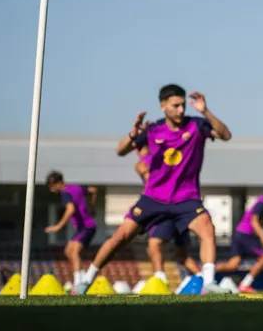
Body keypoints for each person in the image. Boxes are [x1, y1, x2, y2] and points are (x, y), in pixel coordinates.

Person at [76, 84, 232, 295]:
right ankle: (85, 281)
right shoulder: (152, 130)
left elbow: (225, 135)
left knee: (207, 228)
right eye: (175, 105)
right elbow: (121, 151)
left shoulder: (197, 125)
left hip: (186, 198)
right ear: (163, 106)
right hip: (154, 198)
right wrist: (132, 135)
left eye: (183, 105)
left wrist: (205, 111)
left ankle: (210, 283)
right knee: (120, 236)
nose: (181, 110)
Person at [134, 152, 201, 286]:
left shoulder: (149, 160)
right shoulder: (171, 154)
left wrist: (144, 174)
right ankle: (204, 279)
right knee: (181, 255)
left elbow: (154, 187)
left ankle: (160, 280)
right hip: (183, 208)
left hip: (166, 209)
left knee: (154, 243)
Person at [216, 181, 263, 293]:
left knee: (233, 264)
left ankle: (203, 271)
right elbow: (254, 220)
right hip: (245, 235)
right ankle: (245, 285)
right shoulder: (262, 202)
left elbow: (261, 221)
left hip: (239, 234)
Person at [44, 171, 98, 292]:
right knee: (68, 251)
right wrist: (92, 207)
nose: (51, 190)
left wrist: (58, 226)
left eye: (51, 187)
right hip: (83, 227)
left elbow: (70, 209)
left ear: (57, 184)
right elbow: (93, 190)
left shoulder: (65, 193)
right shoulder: (76, 187)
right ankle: (83, 280)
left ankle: (78, 284)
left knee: (74, 252)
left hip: (86, 226)